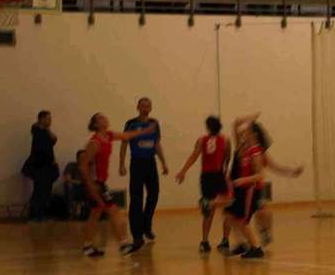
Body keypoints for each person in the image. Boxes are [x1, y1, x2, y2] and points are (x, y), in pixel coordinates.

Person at [81, 113, 155, 257]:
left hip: (101, 183)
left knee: (95, 215)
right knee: (114, 211)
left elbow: (126, 136)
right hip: (96, 184)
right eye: (101, 118)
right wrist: (91, 185)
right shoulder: (94, 142)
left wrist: (145, 131)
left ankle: (87, 246)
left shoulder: (108, 135)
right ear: (95, 124)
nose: (105, 118)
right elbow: (83, 165)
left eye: (104, 117)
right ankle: (123, 244)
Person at [175, 116, 232, 253]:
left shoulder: (202, 140)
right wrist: (225, 170)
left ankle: (205, 241)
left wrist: (183, 171)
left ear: (208, 127)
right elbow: (227, 157)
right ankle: (225, 240)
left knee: (209, 211)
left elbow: (194, 156)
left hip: (206, 177)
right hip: (219, 174)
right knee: (227, 207)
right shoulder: (226, 140)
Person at [120, 98, 168, 253]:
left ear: (151, 108)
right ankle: (137, 235)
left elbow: (156, 144)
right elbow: (124, 143)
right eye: (143, 105)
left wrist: (163, 162)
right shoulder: (131, 124)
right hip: (137, 163)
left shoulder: (154, 124)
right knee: (136, 198)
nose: (146, 108)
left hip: (150, 163)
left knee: (154, 194)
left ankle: (146, 226)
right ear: (138, 107)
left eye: (148, 105)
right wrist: (121, 164)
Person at [223, 114, 268, 259]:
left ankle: (256, 248)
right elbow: (236, 123)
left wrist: (243, 180)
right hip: (242, 189)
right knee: (230, 215)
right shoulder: (244, 148)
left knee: (243, 220)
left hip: (251, 190)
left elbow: (261, 175)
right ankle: (242, 243)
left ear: (253, 134)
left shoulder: (255, 152)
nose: (243, 132)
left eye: (246, 130)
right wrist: (250, 118)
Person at [26, 111, 59, 221]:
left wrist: (48, 129)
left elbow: (54, 140)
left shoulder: (45, 131)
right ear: (41, 119)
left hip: (47, 165)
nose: (50, 121)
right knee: (39, 190)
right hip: (40, 166)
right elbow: (43, 150)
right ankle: (35, 215)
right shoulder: (38, 131)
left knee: (45, 191)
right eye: (48, 118)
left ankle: (41, 214)